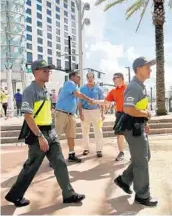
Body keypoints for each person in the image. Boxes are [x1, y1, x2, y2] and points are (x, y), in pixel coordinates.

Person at [5, 59, 85, 207]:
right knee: (31, 166)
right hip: (38, 134)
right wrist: (40, 137)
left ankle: (68, 194)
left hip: (51, 131)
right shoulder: (30, 90)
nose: (48, 73)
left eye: (49, 71)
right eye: (44, 70)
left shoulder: (45, 90)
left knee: (60, 163)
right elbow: (28, 116)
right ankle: (15, 195)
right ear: (35, 72)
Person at [113, 57, 158, 207]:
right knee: (141, 162)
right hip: (133, 129)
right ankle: (142, 195)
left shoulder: (140, 86)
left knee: (145, 157)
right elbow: (128, 108)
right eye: (148, 67)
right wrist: (146, 115)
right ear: (139, 69)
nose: (150, 69)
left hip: (138, 126)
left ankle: (124, 179)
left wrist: (145, 122)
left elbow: (138, 107)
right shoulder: (134, 87)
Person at [55, 71, 96, 163]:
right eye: (78, 76)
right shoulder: (70, 83)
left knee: (71, 136)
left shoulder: (76, 87)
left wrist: (80, 113)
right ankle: (53, 158)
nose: (79, 78)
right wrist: (89, 99)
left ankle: (71, 154)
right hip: (62, 113)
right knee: (56, 136)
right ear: (72, 77)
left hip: (71, 114)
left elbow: (78, 102)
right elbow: (78, 95)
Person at [78, 72, 105, 157]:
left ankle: (99, 150)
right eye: (89, 77)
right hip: (85, 111)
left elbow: (102, 102)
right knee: (85, 131)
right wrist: (80, 113)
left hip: (96, 112)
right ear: (87, 78)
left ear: (94, 78)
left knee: (98, 131)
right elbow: (79, 102)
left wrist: (102, 113)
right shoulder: (82, 89)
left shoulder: (99, 89)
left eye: (92, 77)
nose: (90, 78)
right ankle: (86, 148)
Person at [104, 72, 127, 161]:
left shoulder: (129, 88)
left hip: (130, 114)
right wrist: (93, 101)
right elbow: (105, 101)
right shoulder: (113, 91)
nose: (113, 80)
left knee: (131, 135)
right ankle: (121, 152)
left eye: (115, 78)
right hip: (120, 114)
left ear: (121, 78)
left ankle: (134, 154)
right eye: (113, 78)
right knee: (119, 134)